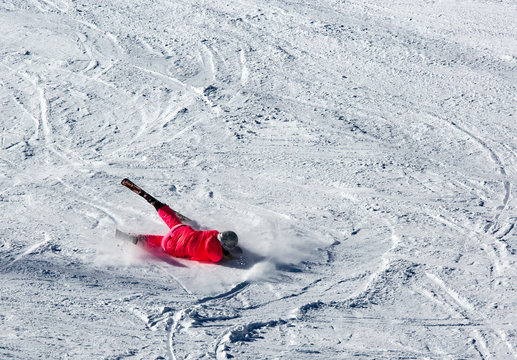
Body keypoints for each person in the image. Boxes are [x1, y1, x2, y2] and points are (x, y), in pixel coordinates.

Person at [119, 179, 238, 263]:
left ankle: (159, 206)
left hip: (180, 230)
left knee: (173, 221)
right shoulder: (216, 256)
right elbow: (219, 257)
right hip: (170, 246)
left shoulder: (212, 233)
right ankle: (139, 239)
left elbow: (212, 235)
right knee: (159, 241)